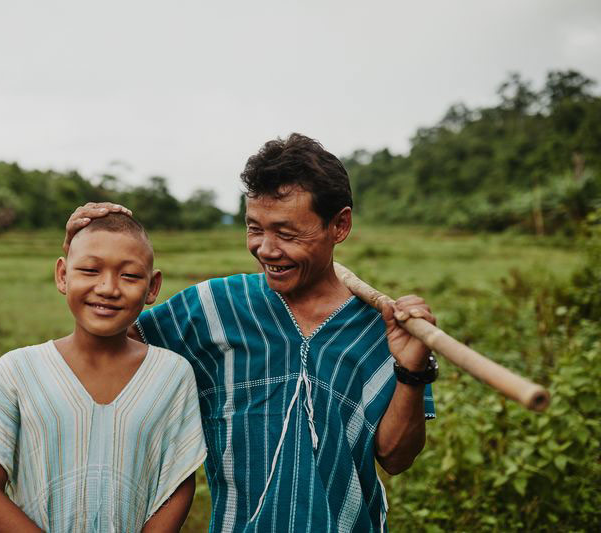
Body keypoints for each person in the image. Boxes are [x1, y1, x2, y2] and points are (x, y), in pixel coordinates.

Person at [65, 133, 438, 532]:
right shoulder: (212, 307)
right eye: (254, 228)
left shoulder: (379, 330)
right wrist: (84, 254)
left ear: (340, 225)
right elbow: (107, 348)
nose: (266, 249)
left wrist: (412, 372)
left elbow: (396, 458)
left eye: (287, 233)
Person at [0, 213, 207, 532]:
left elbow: (176, 487)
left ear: (153, 286)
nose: (107, 288)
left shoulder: (172, 375)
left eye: (130, 276)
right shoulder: (17, 372)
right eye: (90, 270)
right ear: (63, 275)